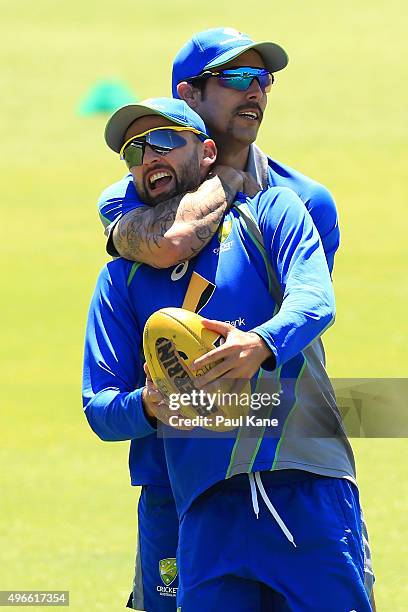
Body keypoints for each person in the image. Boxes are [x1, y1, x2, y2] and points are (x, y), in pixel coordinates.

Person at [95, 27, 374, 610]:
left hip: (286, 461)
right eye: (236, 79)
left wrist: (258, 349)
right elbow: (168, 241)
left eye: (262, 80)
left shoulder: (300, 202)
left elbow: (308, 310)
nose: (255, 93)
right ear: (190, 93)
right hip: (175, 473)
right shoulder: (126, 198)